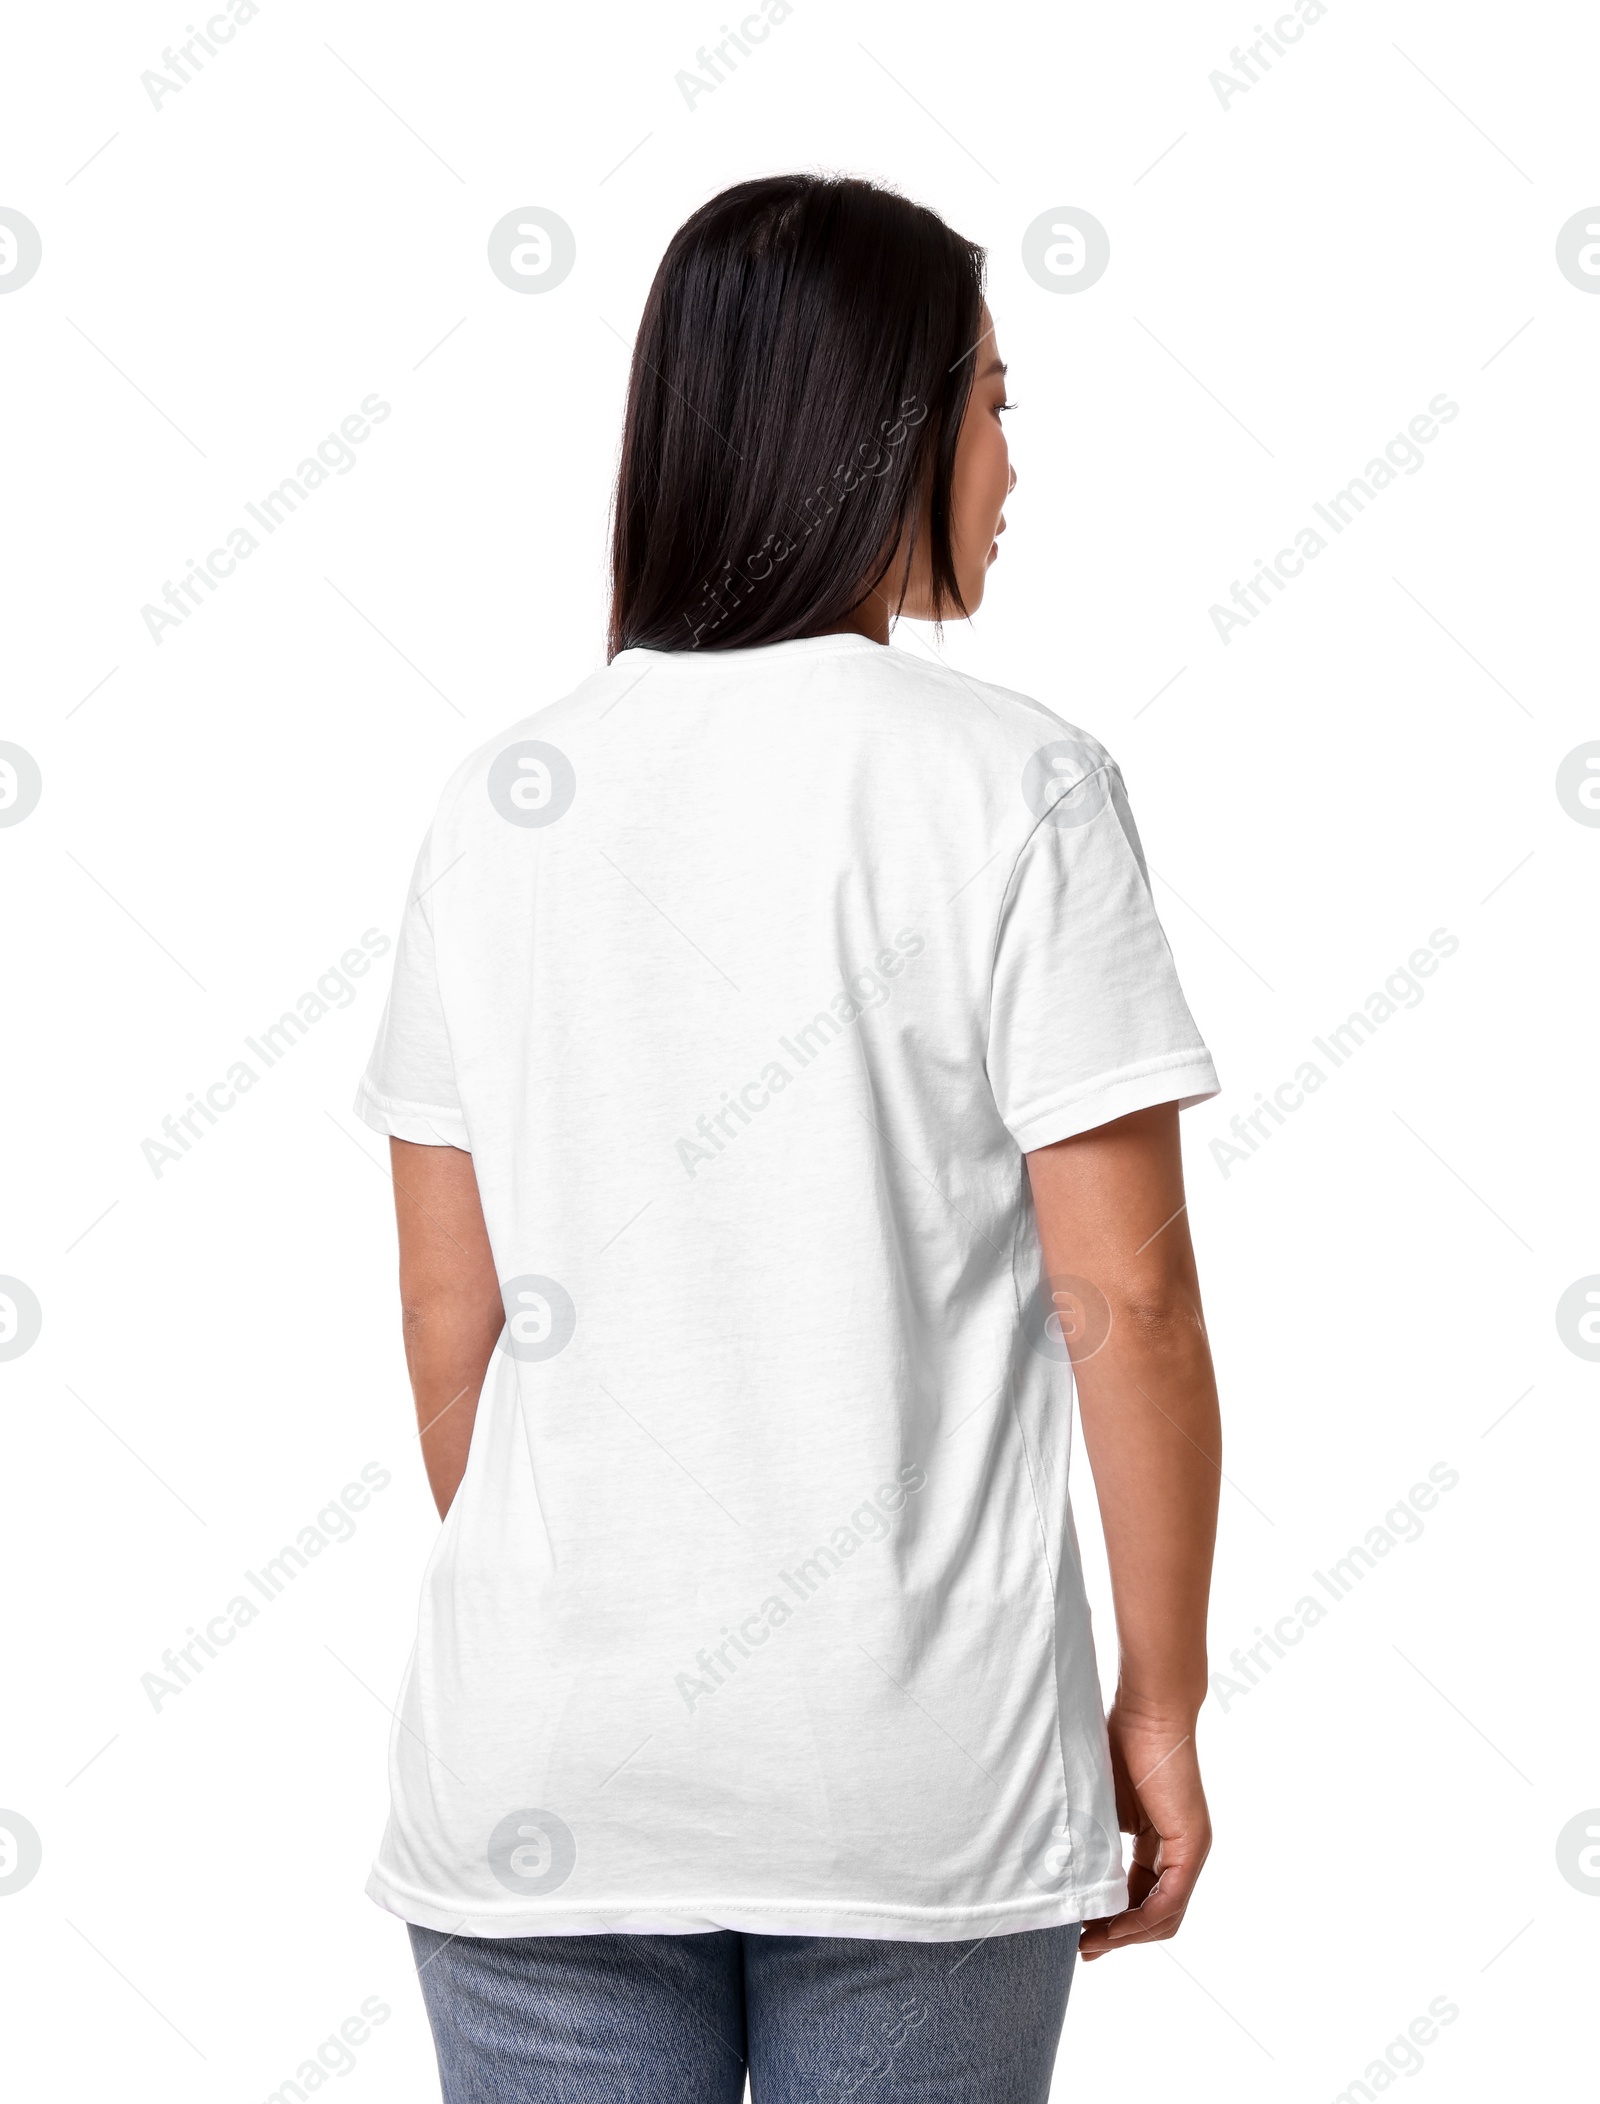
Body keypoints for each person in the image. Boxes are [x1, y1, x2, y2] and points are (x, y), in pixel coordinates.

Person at [355, 172, 1224, 2104]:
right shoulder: (1019, 788)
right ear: (891, 430)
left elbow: (450, 1324)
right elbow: (1133, 1307)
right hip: (915, 1787)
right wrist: (1152, 1707)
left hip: (539, 1775)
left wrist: (597, 1609)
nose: (1017, 462)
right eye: (996, 401)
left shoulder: (500, 803)